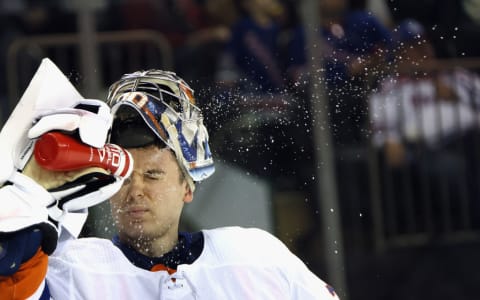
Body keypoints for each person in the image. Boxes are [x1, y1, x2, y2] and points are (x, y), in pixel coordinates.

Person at [0, 68, 339, 299]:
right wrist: (24, 203)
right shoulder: (71, 268)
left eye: (153, 175)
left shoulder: (256, 256)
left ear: (187, 187)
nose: (135, 190)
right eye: (124, 178)